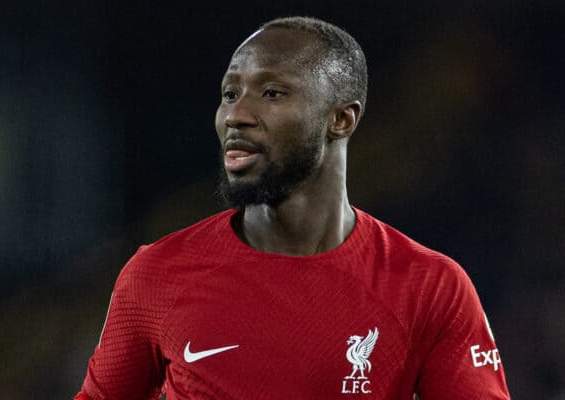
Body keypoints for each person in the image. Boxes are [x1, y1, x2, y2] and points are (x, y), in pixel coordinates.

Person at [74, 16, 510, 400]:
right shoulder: (157, 274)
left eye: (271, 93)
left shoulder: (430, 287)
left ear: (342, 119)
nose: (235, 115)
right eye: (229, 94)